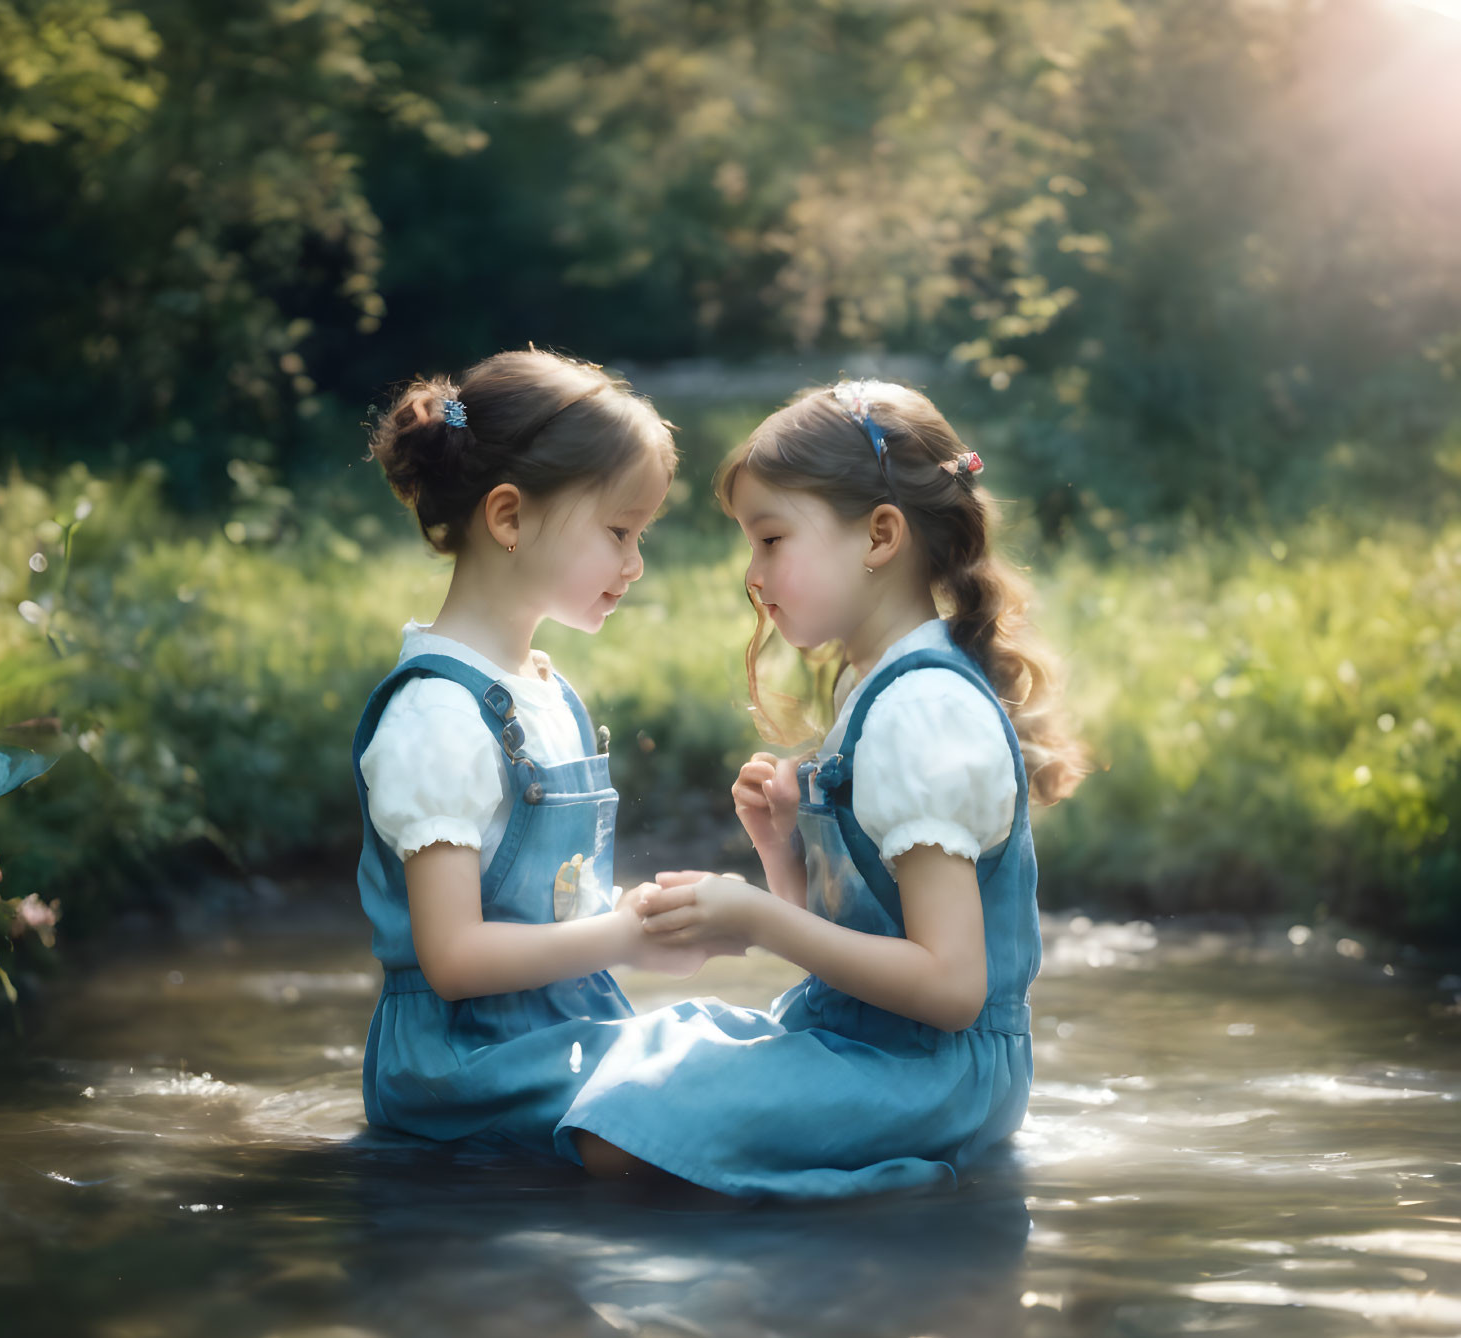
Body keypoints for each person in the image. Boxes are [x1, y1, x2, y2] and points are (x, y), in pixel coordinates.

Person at [558, 380, 1091, 1197]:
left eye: (771, 539)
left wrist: (760, 920)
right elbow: (853, 942)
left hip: (931, 1074)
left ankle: (869, 1215)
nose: (752, 573)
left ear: (880, 535)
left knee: (616, 1133)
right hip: (871, 1041)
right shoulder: (874, 687)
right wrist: (781, 851)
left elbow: (948, 989)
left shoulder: (923, 710)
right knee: (641, 1059)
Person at [354, 348, 711, 1161]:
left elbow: (548, 907)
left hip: (565, 1033)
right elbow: (454, 958)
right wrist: (624, 939)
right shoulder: (437, 716)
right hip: (467, 1067)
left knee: (734, 1070)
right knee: (712, 1119)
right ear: (509, 518)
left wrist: (647, 917)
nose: (636, 563)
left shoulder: (544, 691)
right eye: (619, 531)